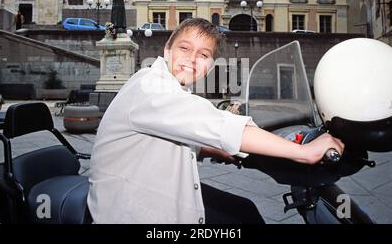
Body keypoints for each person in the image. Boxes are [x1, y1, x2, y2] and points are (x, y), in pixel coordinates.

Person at [87, 18, 344, 224]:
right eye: (185, 48)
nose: (191, 58)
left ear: (210, 65)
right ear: (167, 49)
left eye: (203, 54)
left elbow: (174, 131)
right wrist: (303, 152)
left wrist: (211, 149)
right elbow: (217, 124)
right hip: (131, 210)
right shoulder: (152, 87)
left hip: (154, 193)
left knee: (243, 212)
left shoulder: (170, 88)